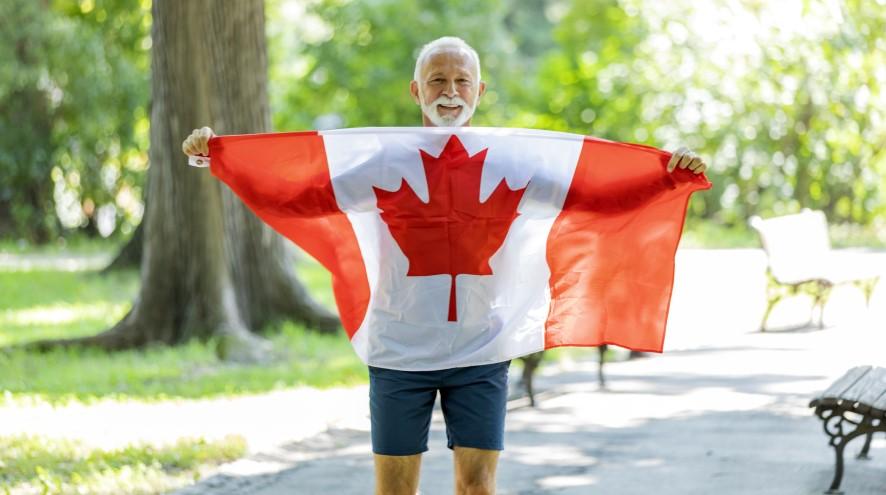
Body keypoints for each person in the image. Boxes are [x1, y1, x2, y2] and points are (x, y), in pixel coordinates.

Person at [182, 36, 707, 495]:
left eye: (462, 80)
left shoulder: (512, 162)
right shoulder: (385, 161)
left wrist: (667, 177)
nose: (449, 91)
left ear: (480, 92)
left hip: (482, 349)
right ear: (417, 91)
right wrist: (224, 161)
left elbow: (592, 195)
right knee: (395, 491)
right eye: (437, 80)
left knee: (477, 487)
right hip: (399, 352)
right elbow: (303, 196)